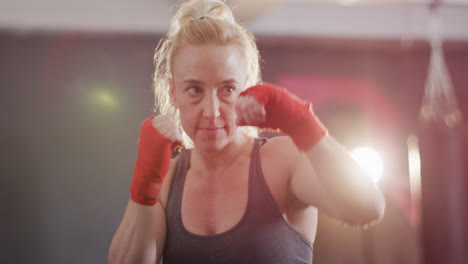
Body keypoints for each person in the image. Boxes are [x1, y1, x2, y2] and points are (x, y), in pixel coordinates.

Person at [108, 0, 385, 263]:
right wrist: (144, 182)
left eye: (227, 89)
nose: (212, 111)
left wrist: (304, 124)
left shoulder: (280, 161)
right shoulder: (167, 180)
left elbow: (368, 208)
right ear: (174, 94)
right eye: (194, 90)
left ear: (246, 88)